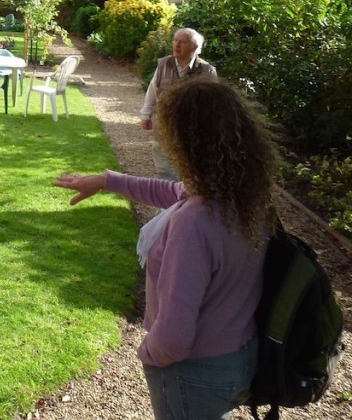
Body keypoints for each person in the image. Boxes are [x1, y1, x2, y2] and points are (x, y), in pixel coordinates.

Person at [54, 78, 279, 420]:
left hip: (193, 374)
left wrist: (149, 354)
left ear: (187, 143)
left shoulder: (194, 222)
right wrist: (105, 180)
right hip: (238, 357)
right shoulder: (244, 198)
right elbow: (171, 191)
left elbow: (174, 337)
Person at [141, 27, 217, 180]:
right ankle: (168, 200)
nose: (176, 45)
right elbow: (153, 90)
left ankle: (186, 197)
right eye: (175, 41)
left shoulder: (207, 71)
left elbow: (214, 104)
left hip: (192, 128)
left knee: (189, 167)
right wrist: (146, 114)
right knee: (163, 167)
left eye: (182, 42)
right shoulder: (163, 64)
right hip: (164, 123)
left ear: (194, 48)